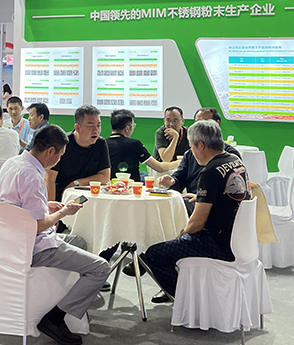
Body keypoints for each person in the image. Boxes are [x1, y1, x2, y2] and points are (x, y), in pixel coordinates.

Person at [0, 124, 110, 345]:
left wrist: (47, 205)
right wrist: (63, 212)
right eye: (60, 155)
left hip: (11, 241)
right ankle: (55, 318)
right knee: (101, 268)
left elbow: (17, 205)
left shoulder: (14, 163)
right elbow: (38, 226)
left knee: (80, 241)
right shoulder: (32, 175)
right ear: (50, 151)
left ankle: (70, 298)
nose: (59, 160)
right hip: (34, 246)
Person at [140, 119, 250, 302]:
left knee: (154, 254)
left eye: (191, 146)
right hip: (239, 239)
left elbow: (197, 223)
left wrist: (180, 235)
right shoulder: (235, 161)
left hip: (217, 243)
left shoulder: (210, 171)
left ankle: (188, 300)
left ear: (201, 145)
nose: (191, 151)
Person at [157, 108, 242, 207]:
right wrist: (172, 181)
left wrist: (201, 198)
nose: (200, 127)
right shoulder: (190, 154)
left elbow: (233, 191)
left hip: (213, 205)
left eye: (205, 123)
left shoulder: (230, 156)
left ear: (216, 124)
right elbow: (180, 177)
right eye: (197, 123)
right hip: (194, 201)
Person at [46, 104, 111, 202]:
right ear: (77, 128)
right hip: (63, 198)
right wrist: (52, 206)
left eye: (98, 125)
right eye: (90, 125)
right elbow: (49, 179)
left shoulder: (100, 144)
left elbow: (105, 177)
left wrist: (76, 183)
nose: (96, 130)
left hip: (89, 199)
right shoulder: (62, 143)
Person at [105, 109, 179, 182]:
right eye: (133, 125)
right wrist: (180, 163)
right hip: (131, 186)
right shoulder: (134, 144)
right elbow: (159, 167)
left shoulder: (103, 143)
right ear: (127, 128)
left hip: (109, 185)